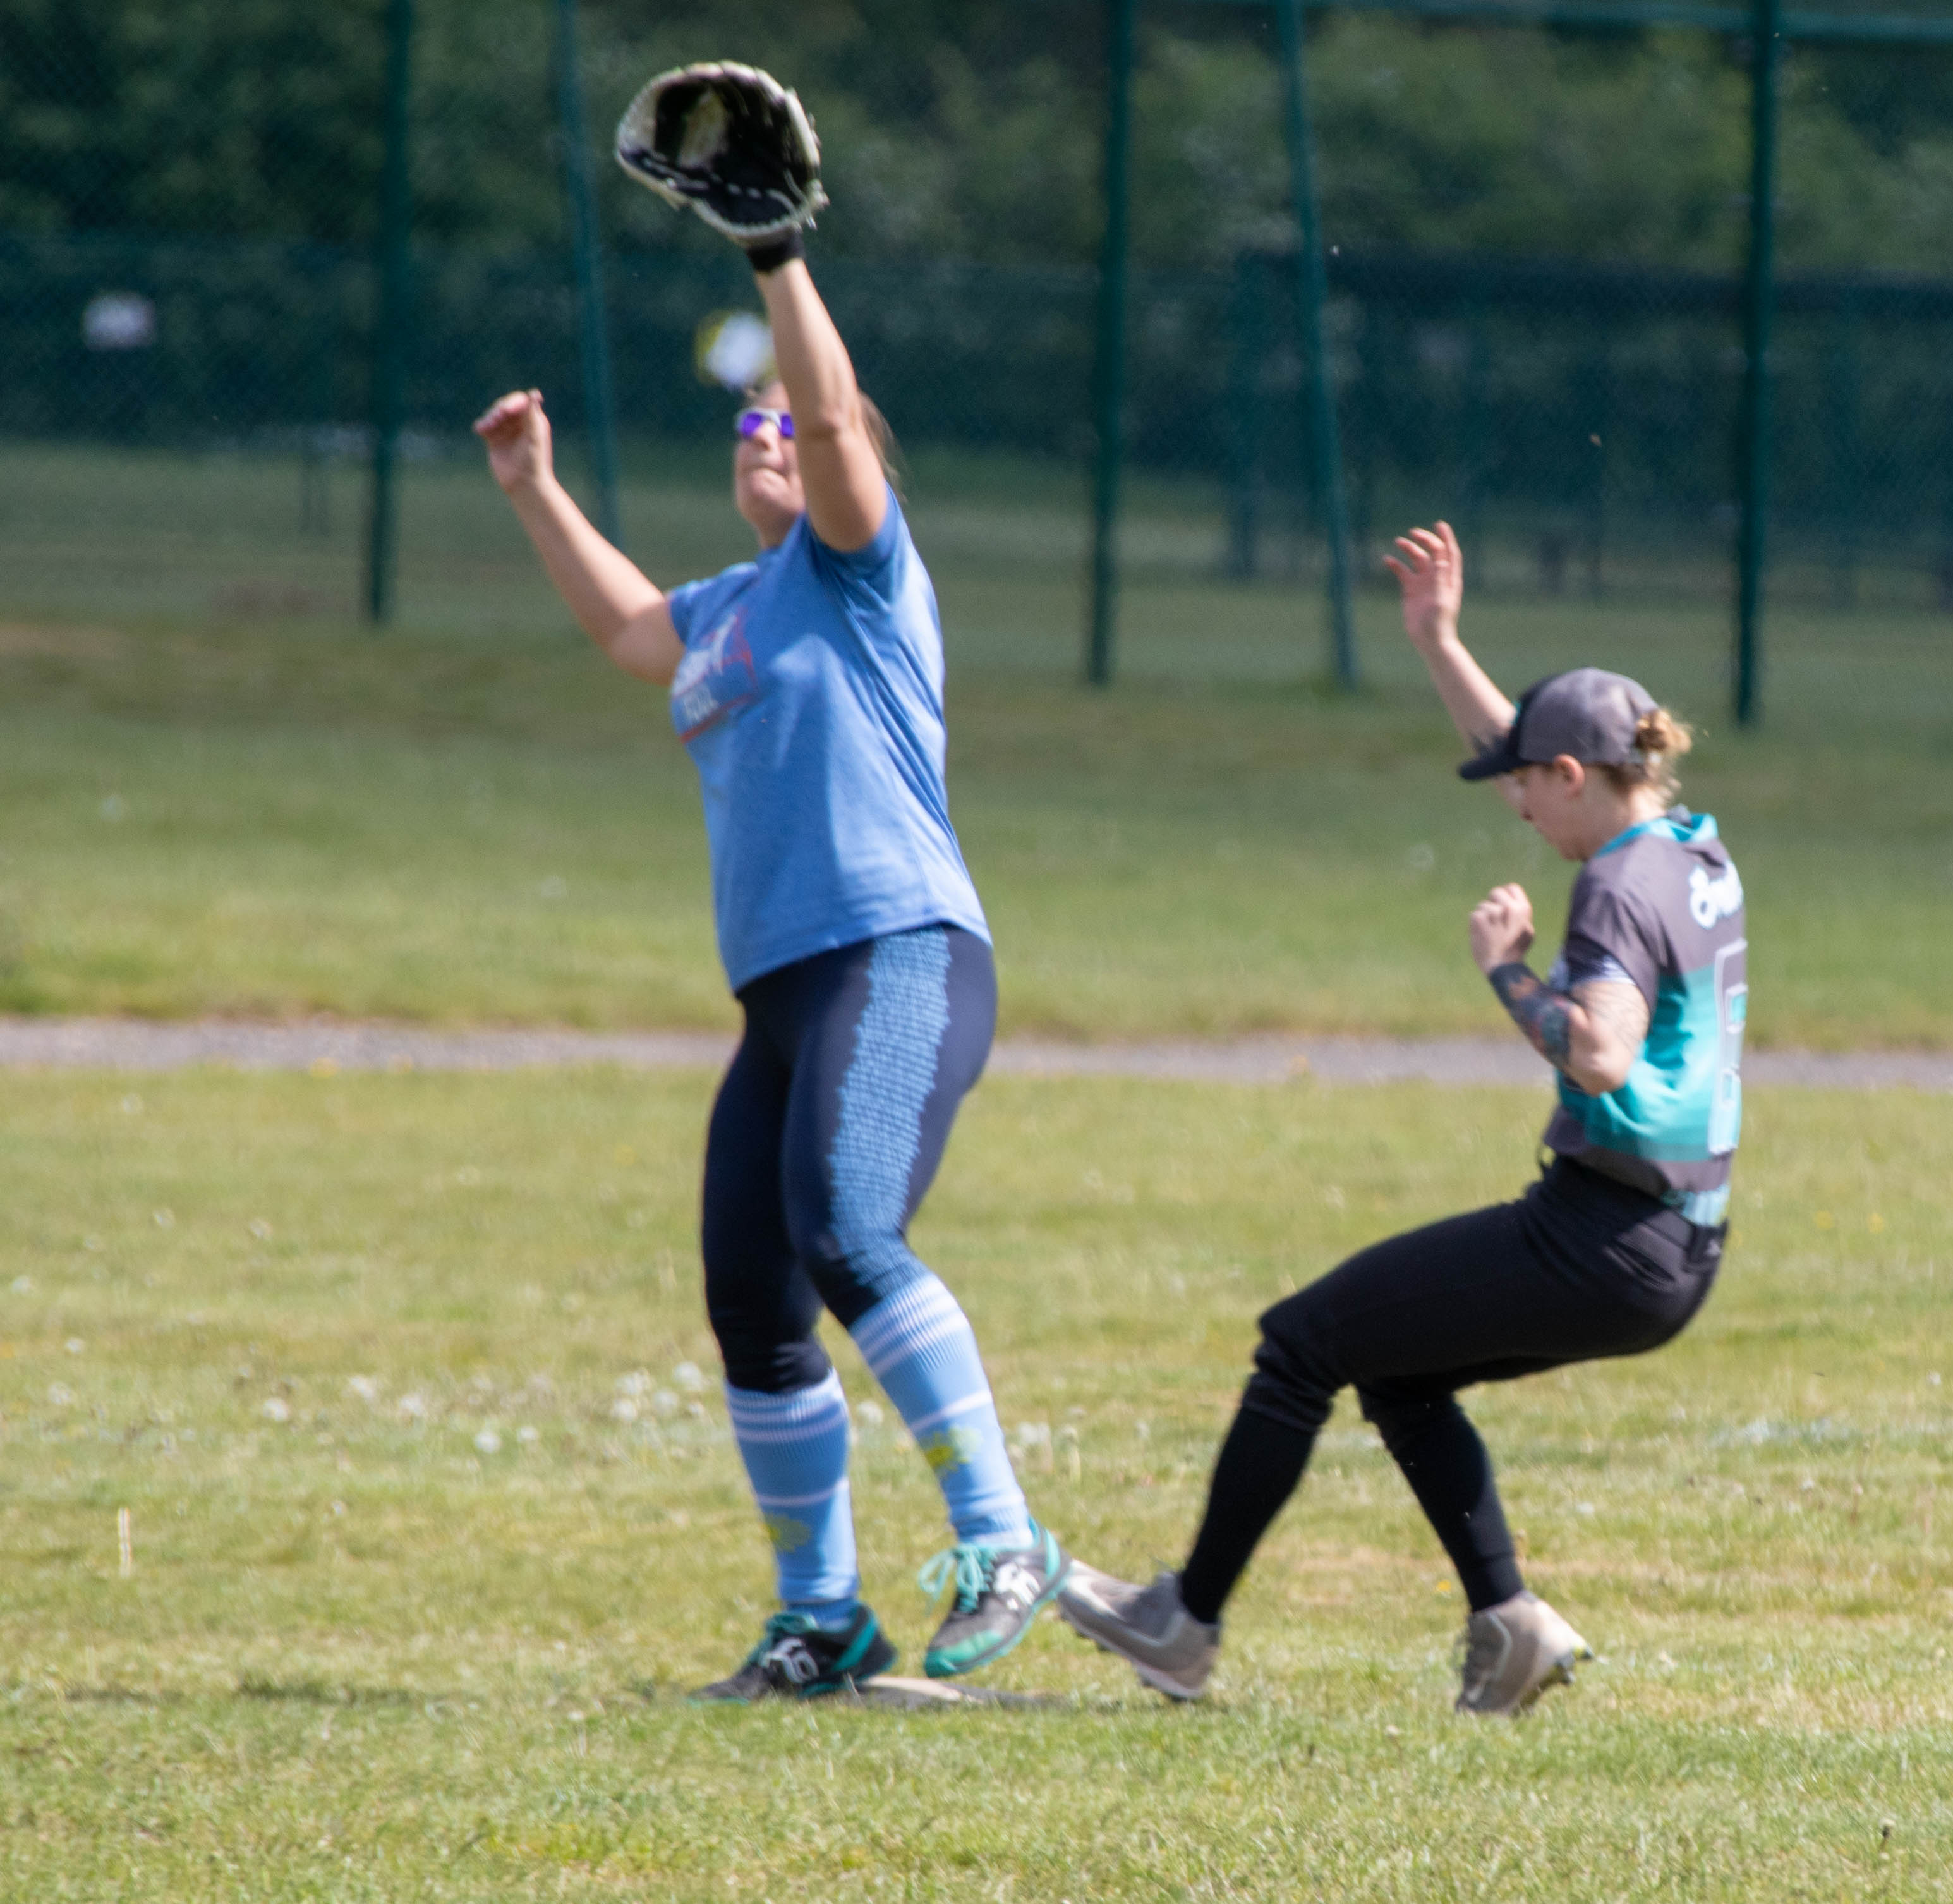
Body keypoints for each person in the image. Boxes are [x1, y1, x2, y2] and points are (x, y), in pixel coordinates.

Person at [474, 234, 1073, 1699]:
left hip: (898, 952)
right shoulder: (730, 606)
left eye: (790, 426)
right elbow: (627, 628)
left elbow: (829, 411)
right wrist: (534, 487)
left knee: (850, 1231)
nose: (768, 435)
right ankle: (822, 1623)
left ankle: (1004, 1536)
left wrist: (776, 257)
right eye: (750, 424)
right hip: (786, 996)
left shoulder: (857, 569)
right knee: (751, 1293)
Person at [1060, 521, 1746, 1717]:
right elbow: (1536, 751)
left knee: (1301, 1344)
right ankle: (1510, 1625)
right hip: (1677, 1243)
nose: (1518, 809)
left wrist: (1506, 972)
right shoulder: (1689, 851)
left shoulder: (1614, 887)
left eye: (1528, 789)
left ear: (1573, 777)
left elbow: (1598, 1053)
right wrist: (1438, 641)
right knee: (1396, 1368)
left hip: (1602, 1235)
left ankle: (1182, 1623)